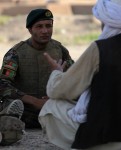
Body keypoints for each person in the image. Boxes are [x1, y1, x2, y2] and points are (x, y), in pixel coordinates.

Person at [39, 0, 121, 150]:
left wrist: (56, 73)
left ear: (104, 20)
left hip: (104, 139)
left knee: (52, 106)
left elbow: (59, 91)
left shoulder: (100, 49)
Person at [0, 8, 74, 143]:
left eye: (48, 26)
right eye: (39, 26)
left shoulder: (60, 51)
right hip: (24, 112)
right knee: (8, 120)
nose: (45, 31)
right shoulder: (16, 53)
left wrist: (58, 95)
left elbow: (76, 77)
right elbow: (3, 85)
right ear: (30, 30)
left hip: (52, 111)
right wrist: (35, 102)